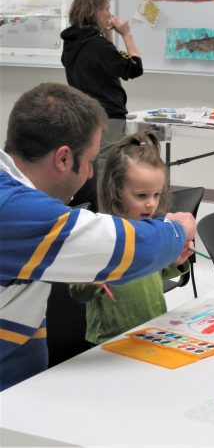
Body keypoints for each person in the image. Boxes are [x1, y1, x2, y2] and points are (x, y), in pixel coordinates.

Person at [0, 83, 196, 391]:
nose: (91, 174)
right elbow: (125, 248)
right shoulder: (16, 210)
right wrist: (178, 228)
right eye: (90, 161)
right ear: (63, 159)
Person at [69, 131, 190, 345]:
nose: (151, 204)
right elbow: (77, 292)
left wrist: (176, 261)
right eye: (141, 196)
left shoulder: (153, 231)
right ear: (116, 190)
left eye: (156, 194)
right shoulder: (102, 234)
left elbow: (157, 271)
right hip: (109, 341)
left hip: (152, 330)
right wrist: (94, 281)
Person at [61, 0, 143, 211]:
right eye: (106, 9)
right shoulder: (97, 46)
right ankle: (105, 219)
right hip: (108, 116)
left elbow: (103, 66)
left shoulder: (73, 41)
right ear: (94, 11)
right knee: (107, 170)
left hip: (84, 116)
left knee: (89, 168)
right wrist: (126, 34)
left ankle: (90, 213)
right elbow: (134, 68)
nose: (109, 14)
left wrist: (107, 37)